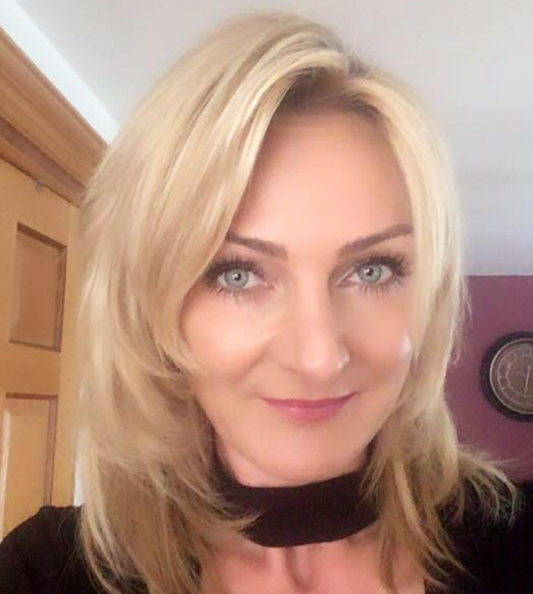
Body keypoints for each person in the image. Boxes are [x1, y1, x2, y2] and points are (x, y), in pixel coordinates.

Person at [0, 9, 532, 594]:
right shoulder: (46, 574)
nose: (318, 358)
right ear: (147, 304)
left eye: (372, 269)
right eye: (237, 275)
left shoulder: (516, 545)